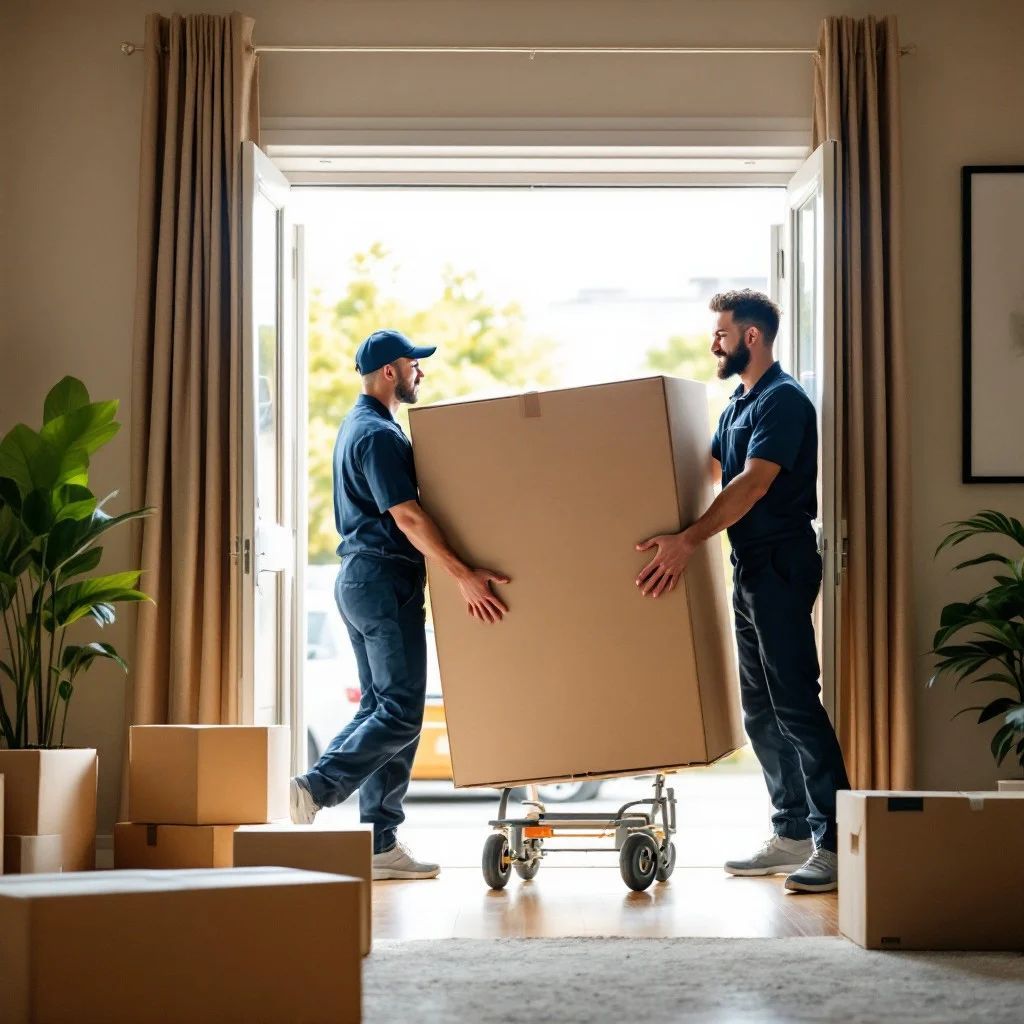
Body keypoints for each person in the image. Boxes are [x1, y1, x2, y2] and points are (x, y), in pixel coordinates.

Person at [634, 289, 850, 893]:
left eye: (721, 334)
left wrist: (686, 540)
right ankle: (791, 831)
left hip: (781, 564)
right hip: (748, 566)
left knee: (795, 705)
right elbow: (704, 472)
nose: (714, 344)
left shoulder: (782, 402)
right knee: (759, 710)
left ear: (751, 337)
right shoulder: (738, 403)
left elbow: (751, 486)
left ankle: (833, 841)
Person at [290, 328, 510, 881]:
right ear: (391, 371)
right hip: (383, 580)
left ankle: (378, 843)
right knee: (401, 712)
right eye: (415, 365)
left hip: (364, 580)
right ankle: (316, 788)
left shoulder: (360, 426)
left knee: (380, 707)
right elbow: (407, 517)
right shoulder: (378, 436)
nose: (421, 373)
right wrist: (463, 575)